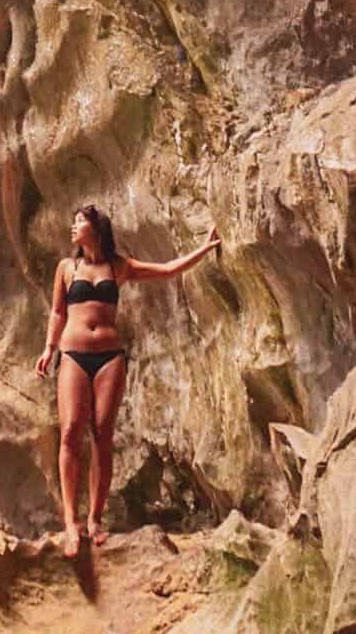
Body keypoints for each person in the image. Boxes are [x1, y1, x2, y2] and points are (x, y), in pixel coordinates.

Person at [36, 204, 220, 557]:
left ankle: (94, 520)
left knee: (103, 435)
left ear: (96, 228)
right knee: (72, 429)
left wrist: (206, 248)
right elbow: (58, 311)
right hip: (73, 354)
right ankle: (71, 524)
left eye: (79, 222)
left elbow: (167, 269)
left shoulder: (119, 266)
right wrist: (48, 349)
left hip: (110, 357)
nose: (73, 227)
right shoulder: (66, 268)